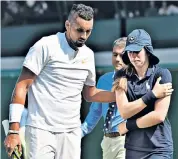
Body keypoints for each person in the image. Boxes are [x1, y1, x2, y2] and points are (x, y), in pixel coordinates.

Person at [4, 4, 116, 159]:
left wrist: (120, 95)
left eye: (88, 31)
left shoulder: (88, 55)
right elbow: (22, 86)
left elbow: (90, 94)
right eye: (79, 30)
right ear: (67, 25)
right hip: (40, 130)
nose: (83, 35)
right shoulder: (45, 46)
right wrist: (14, 131)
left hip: (71, 133)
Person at [112, 29, 174, 159]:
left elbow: (159, 116)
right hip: (133, 149)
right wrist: (152, 95)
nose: (133, 56)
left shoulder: (162, 74)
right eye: (130, 52)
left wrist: (129, 125)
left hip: (159, 149)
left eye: (137, 51)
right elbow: (125, 111)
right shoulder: (120, 76)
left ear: (147, 51)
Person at [82, 37, 127, 159]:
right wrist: (81, 132)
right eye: (114, 54)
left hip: (127, 140)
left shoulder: (136, 82)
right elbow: (96, 111)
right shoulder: (103, 80)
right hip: (107, 141)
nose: (117, 59)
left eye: (122, 55)